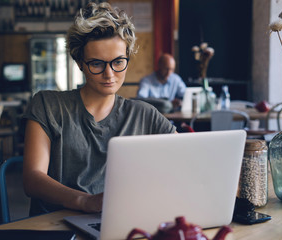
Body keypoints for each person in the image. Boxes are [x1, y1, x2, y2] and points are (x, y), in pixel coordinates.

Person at [22, 2, 177, 217]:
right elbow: (32, 179)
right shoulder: (48, 106)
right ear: (79, 62)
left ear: (127, 58)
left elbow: (185, 162)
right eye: (96, 64)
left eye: (118, 62)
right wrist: (85, 201)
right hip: (55, 227)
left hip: (119, 223)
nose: (109, 74)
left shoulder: (145, 115)